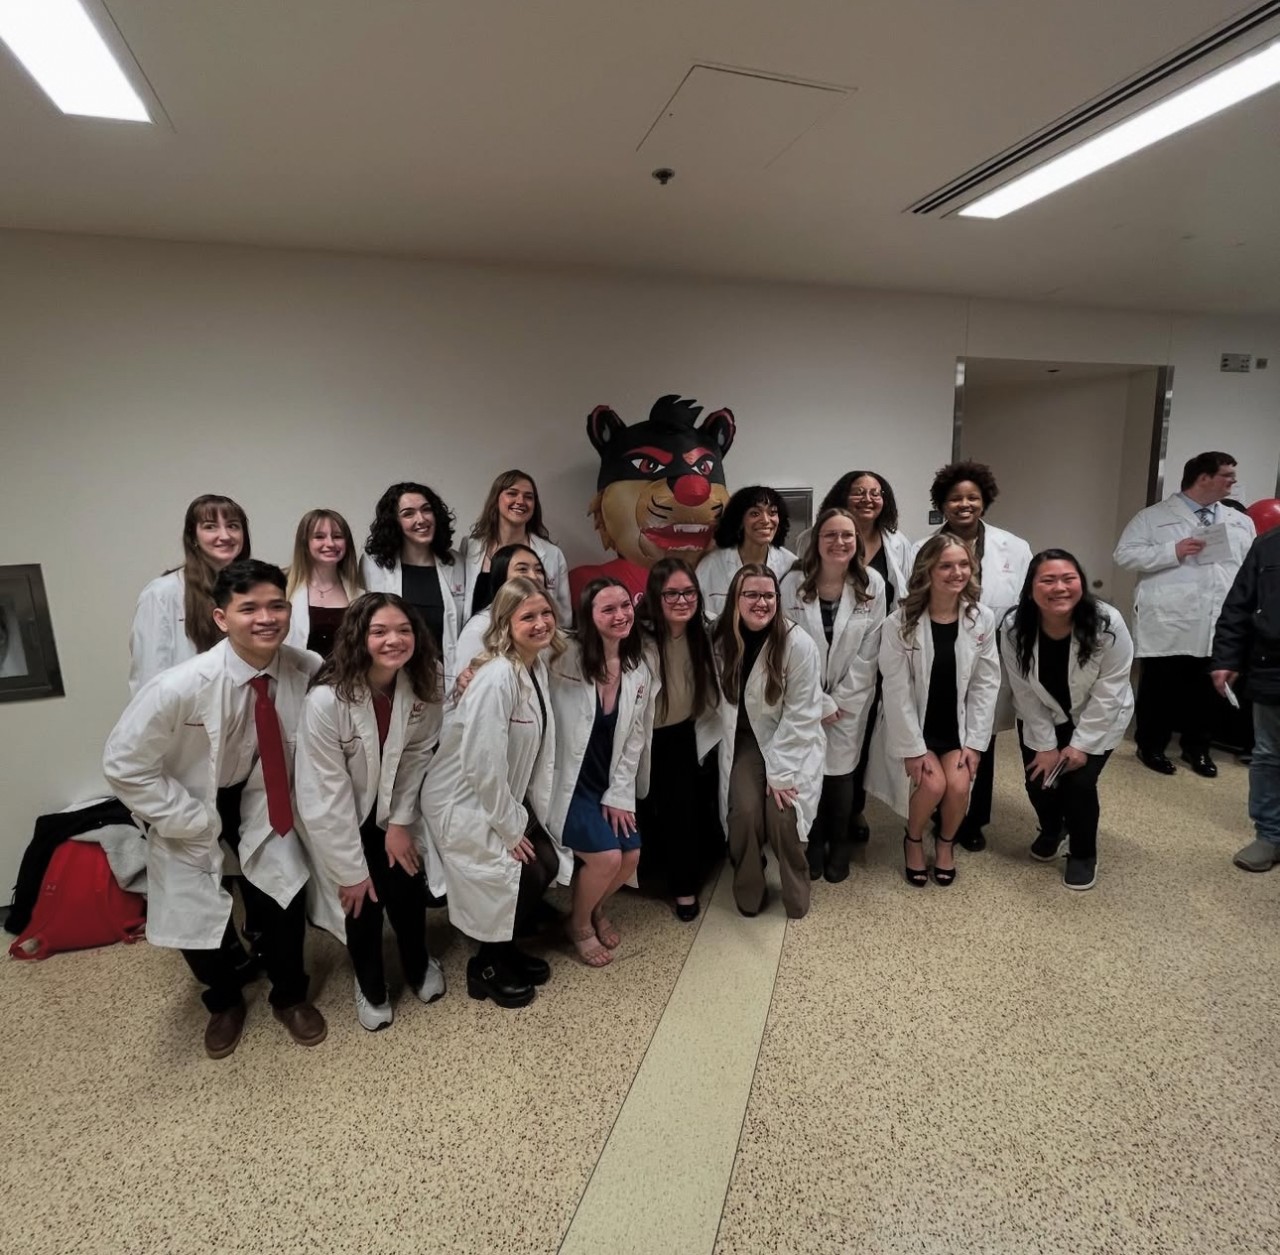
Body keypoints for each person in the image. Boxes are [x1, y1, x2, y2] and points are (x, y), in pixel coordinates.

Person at [103, 559, 327, 1058]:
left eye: (276, 605)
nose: (266, 618)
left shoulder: (304, 667)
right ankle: (224, 1002)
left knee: (282, 892)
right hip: (189, 796)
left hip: (263, 790)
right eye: (249, 608)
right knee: (193, 904)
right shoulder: (178, 686)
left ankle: (290, 996)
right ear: (222, 618)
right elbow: (122, 764)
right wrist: (188, 819)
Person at [295, 593, 445, 1030]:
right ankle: (370, 982)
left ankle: (418, 963)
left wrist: (399, 823)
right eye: (379, 631)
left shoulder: (425, 677)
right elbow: (324, 792)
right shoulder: (327, 699)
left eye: (403, 630)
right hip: (343, 815)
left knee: (406, 886)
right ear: (359, 636)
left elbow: (418, 751)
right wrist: (350, 869)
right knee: (362, 899)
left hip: (393, 807)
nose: (394, 640)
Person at [420, 577, 566, 1008]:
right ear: (505, 622)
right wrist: (508, 827)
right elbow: (481, 764)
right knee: (524, 870)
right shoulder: (497, 675)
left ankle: (505, 949)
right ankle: (485, 966)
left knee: (545, 863)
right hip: (463, 801)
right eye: (528, 617)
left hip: (494, 795)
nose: (541, 623)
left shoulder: (533, 664)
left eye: (546, 614)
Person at [1115, 451, 1256, 778]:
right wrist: (1172, 551)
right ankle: (1150, 745)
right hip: (1170, 617)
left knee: (1207, 692)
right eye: (1227, 476)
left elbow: (1247, 566)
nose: (1233, 482)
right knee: (1161, 689)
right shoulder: (1153, 517)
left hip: (1218, 619)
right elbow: (1125, 555)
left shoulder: (1240, 521)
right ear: (1203, 477)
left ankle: (1198, 748)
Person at [1000, 550, 1134, 891]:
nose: (1059, 587)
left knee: (1078, 784)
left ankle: (1083, 852)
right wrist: (1045, 746)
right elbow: (1024, 691)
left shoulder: (1106, 622)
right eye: (1047, 580)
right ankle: (1053, 828)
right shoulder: (1015, 628)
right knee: (1038, 781)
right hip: (1041, 714)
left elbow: (1111, 688)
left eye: (1068, 579)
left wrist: (1082, 744)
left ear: (1081, 584)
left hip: (1098, 716)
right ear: (1031, 588)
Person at [871, 535, 1001, 887]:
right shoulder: (900, 622)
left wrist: (974, 743)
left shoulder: (981, 619)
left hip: (955, 726)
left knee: (958, 787)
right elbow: (895, 690)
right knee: (931, 785)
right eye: (945, 565)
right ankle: (913, 839)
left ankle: (945, 844)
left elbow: (986, 685)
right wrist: (912, 749)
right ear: (927, 570)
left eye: (963, 565)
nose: (956, 572)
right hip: (916, 725)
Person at [917, 461, 1031, 851]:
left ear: (985, 500)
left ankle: (973, 819)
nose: (964, 504)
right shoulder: (921, 549)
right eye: (955, 498)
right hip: (939, 652)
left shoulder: (1014, 547)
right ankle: (936, 811)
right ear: (942, 504)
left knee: (980, 738)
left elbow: (1025, 604)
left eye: (972, 497)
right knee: (938, 734)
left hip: (990, 653)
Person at [547, 578, 654, 966]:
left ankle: (593, 908)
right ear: (588, 617)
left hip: (605, 783)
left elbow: (635, 737)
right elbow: (512, 655)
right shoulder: (562, 655)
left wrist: (620, 793)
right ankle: (578, 924)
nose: (620, 615)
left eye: (625, 605)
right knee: (607, 858)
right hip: (567, 783)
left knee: (630, 856)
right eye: (608, 609)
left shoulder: (636, 667)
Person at [710, 563, 825, 918]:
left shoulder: (798, 643)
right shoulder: (717, 637)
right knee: (743, 813)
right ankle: (748, 886)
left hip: (787, 738)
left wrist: (781, 771)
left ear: (778, 599)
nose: (761, 603)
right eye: (751, 595)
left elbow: (802, 714)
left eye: (768, 595)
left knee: (782, 814)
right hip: (743, 740)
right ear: (735, 599)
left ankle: (795, 886)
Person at [781, 508, 886, 883]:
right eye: (830, 535)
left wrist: (839, 700)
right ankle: (814, 840)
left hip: (850, 700)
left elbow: (871, 650)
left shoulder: (872, 583)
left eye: (847, 535)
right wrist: (817, 701)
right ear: (815, 541)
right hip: (804, 697)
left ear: (857, 542)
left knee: (841, 775)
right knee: (808, 773)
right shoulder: (792, 583)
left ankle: (839, 843)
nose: (839, 542)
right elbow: (785, 645)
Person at [637, 558, 723, 921]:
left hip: (681, 734)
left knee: (681, 811)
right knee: (641, 809)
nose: (682, 600)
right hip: (639, 736)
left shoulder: (704, 631)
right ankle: (646, 874)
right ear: (655, 596)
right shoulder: (635, 633)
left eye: (689, 592)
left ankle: (683, 886)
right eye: (671, 593)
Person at [128, 493, 251, 694]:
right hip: (188, 717)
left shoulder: (252, 588)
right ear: (193, 537)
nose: (225, 535)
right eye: (210, 526)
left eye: (233, 526)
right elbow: (149, 678)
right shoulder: (162, 593)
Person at [1210, 524, 1280, 871]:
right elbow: (1238, 606)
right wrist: (1226, 658)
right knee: (1268, 755)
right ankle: (1269, 835)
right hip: (1272, 667)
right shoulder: (1267, 546)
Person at [360, 481, 466, 692]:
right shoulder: (373, 565)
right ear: (395, 522)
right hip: (393, 678)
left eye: (426, 510)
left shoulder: (456, 563)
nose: (421, 519)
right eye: (408, 513)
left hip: (447, 681)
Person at [462, 469, 572, 623]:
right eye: (512, 493)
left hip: (531, 644)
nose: (520, 501)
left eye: (528, 497)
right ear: (496, 499)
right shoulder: (470, 546)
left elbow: (563, 617)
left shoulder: (552, 554)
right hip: (478, 643)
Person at [453, 543, 547, 685]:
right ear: (501, 576)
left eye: (539, 570)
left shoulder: (545, 621)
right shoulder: (479, 628)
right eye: (522, 569)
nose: (534, 576)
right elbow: (463, 693)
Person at [697, 486, 797, 619]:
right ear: (739, 520)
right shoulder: (712, 565)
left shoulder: (790, 565)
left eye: (772, 513)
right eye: (755, 513)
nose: (766, 520)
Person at [284, 508, 363, 659]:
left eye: (337, 536)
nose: (330, 543)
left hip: (344, 680)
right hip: (296, 678)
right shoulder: (283, 587)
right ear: (304, 543)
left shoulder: (361, 594)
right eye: (319, 537)